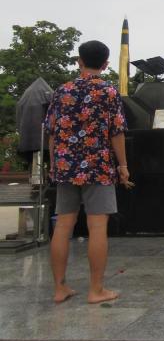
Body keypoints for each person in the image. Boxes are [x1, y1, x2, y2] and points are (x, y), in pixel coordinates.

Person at [44, 40, 129, 303]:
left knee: (63, 226)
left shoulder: (62, 91)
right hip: (98, 166)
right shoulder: (109, 92)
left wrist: (53, 164)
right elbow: (116, 132)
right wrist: (123, 166)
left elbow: (51, 131)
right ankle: (96, 290)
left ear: (79, 61)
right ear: (105, 64)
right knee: (97, 226)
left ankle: (60, 288)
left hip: (65, 166)